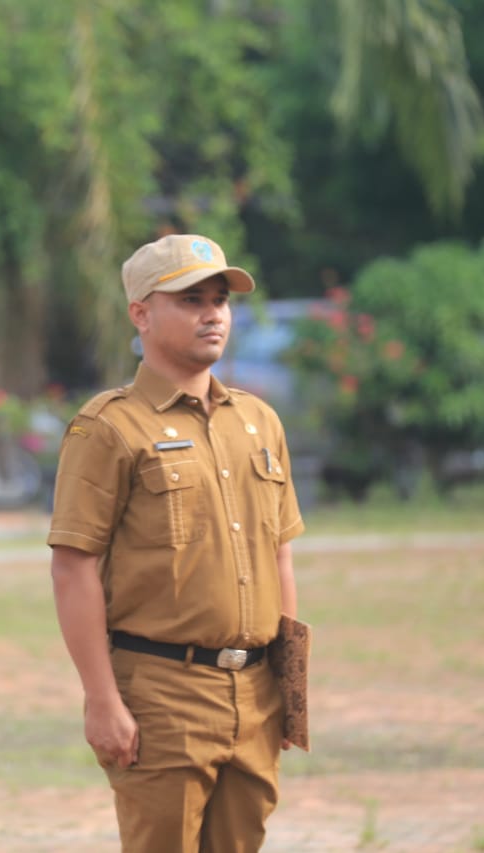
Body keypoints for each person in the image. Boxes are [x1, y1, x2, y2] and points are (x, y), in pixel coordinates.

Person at [47, 233, 304, 853]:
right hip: (162, 695)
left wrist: (291, 691)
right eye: (191, 299)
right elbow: (73, 568)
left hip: (256, 694)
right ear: (141, 313)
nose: (213, 313)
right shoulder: (110, 426)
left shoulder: (258, 421)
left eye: (220, 299)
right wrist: (101, 700)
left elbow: (280, 554)